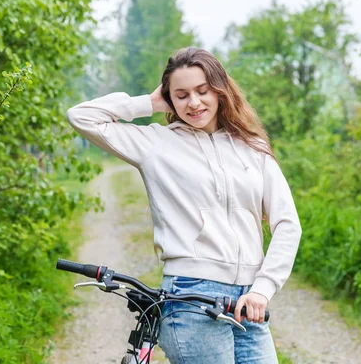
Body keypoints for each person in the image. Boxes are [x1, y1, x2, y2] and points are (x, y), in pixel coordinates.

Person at [66, 47, 301, 364]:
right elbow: (81, 117)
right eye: (182, 94)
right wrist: (148, 103)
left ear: (220, 91)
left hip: (249, 300)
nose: (194, 102)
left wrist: (263, 287)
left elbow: (287, 223)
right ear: (170, 99)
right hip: (190, 296)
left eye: (203, 91)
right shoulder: (155, 144)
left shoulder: (252, 146)